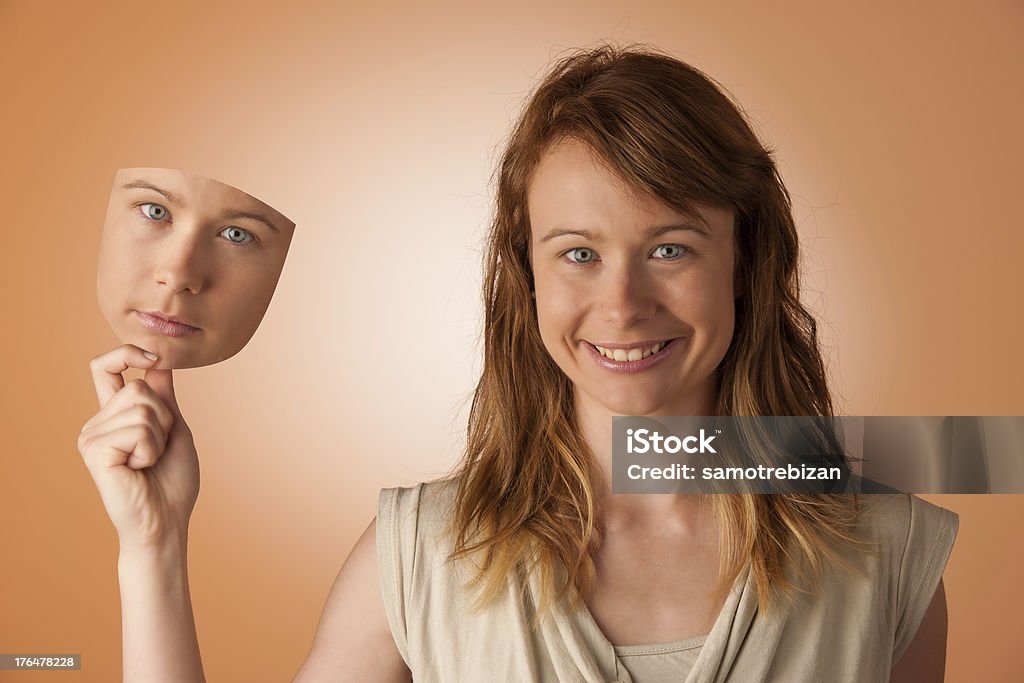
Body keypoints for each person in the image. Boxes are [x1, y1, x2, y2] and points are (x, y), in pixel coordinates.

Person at [77, 45, 957, 682]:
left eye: (671, 249)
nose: (621, 305)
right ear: (524, 275)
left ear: (747, 261)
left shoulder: (888, 549)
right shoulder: (420, 552)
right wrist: (153, 545)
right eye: (578, 253)